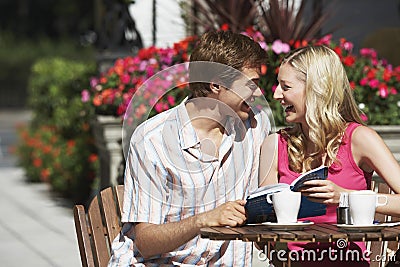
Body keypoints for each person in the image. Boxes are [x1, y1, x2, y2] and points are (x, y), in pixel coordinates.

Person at [108, 30, 272, 266]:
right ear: (216, 84)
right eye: (250, 85)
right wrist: (204, 220)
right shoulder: (152, 140)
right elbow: (145, 242)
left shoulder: (256, 126)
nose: (259, 94)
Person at [259, 45, 400, 266]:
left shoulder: (360, 139)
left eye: (285, 87)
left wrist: (346, 197)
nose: (276, 95)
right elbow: (263, 227)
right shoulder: (274, 145)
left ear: (317, 89)